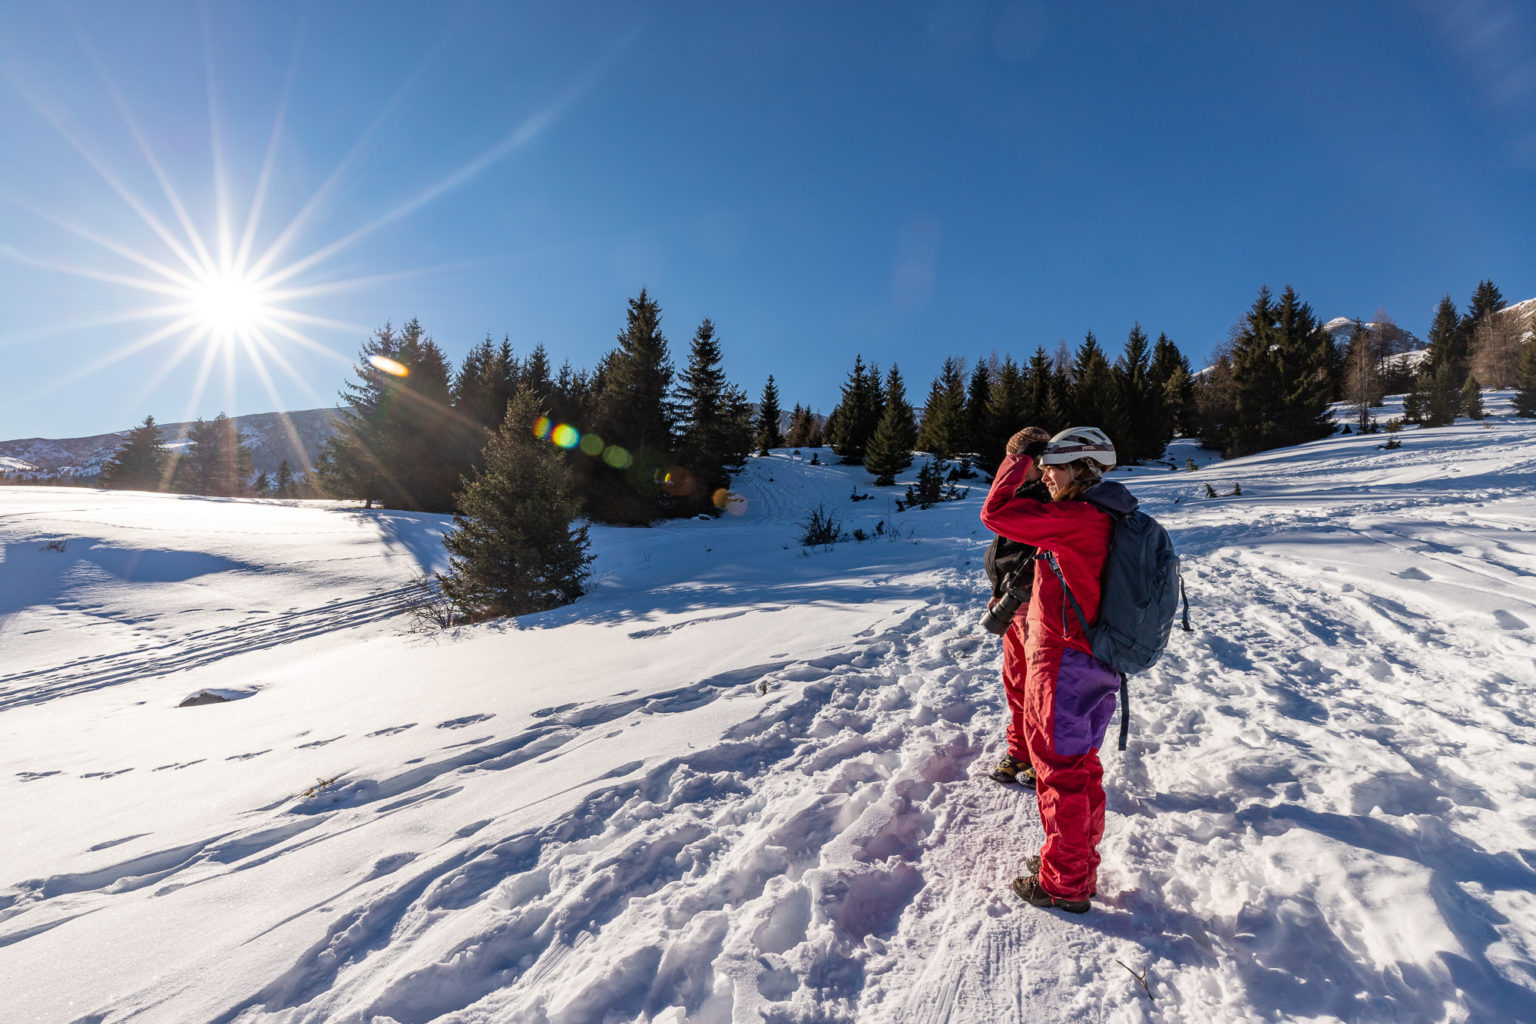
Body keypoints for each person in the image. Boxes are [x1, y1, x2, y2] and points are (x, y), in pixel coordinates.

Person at [979, 425, 1129, 914]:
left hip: (1063, 660)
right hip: (1096, 659)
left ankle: (1064, 884)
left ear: (1081, 469)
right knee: (1080, 767)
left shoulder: (1077, 518)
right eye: (1042, 467)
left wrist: (1018, 457)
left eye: (1052, 467)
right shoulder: (1109, 514)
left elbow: (995, 512)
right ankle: (1073, 867)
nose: (1044, 475)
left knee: (1060, 771)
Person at [983, 425, 1050, 788]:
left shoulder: (1048, 496)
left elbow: (992, 512)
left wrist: (1022, 462)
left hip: (1038, 605)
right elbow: (1009, 554)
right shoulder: (1026, 492)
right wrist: (998, 588)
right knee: (1016, 683)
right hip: (1013, 602)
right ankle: (1020, 750)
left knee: (1038, 685)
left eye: (1018, 458)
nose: (1011, 466)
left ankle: (1040, 756)